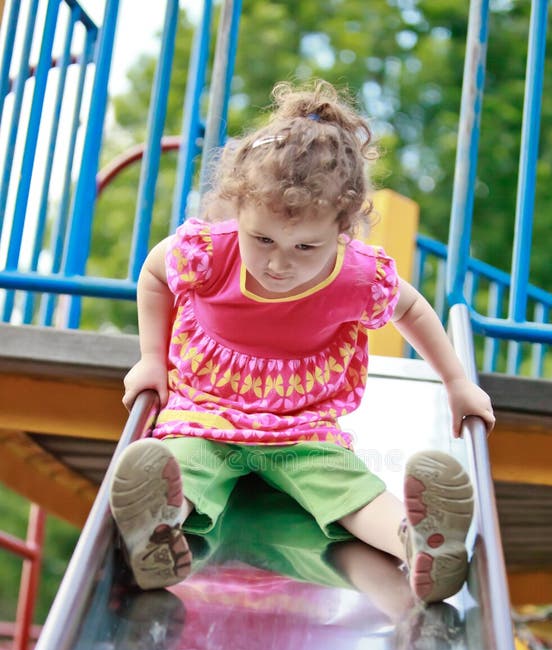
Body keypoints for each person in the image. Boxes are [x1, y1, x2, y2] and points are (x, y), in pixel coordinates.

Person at [109, 80, 495, 604]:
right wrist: (151, 359)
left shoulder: (357, 275)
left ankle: (418, 543)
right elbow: (155, 274)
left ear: (343, 228)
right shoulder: (210, 250)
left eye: (305, 246)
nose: (278, 262)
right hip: (206, 413)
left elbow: (412, 309)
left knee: (348, 492)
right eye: (261, 238)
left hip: (301, 427)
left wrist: (457, 383)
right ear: (239, 212)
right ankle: (158, 532)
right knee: (181, 466)